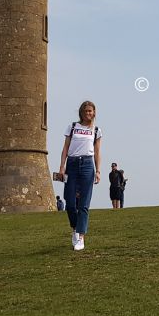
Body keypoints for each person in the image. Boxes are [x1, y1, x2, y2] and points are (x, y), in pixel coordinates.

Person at [58, 100, 102, 251]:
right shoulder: (72, 127)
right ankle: (75, 227)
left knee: (84, 203)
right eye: (86, 111)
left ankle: (80, 236)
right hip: (72, 164)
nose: (88, 113)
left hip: (88, 165)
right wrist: (62, 167)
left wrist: (98, 171)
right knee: (70, 202)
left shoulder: (96, 130)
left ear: (94, 113)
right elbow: (65, 148)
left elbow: (97, 152)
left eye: (90, 111)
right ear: (81, 113)